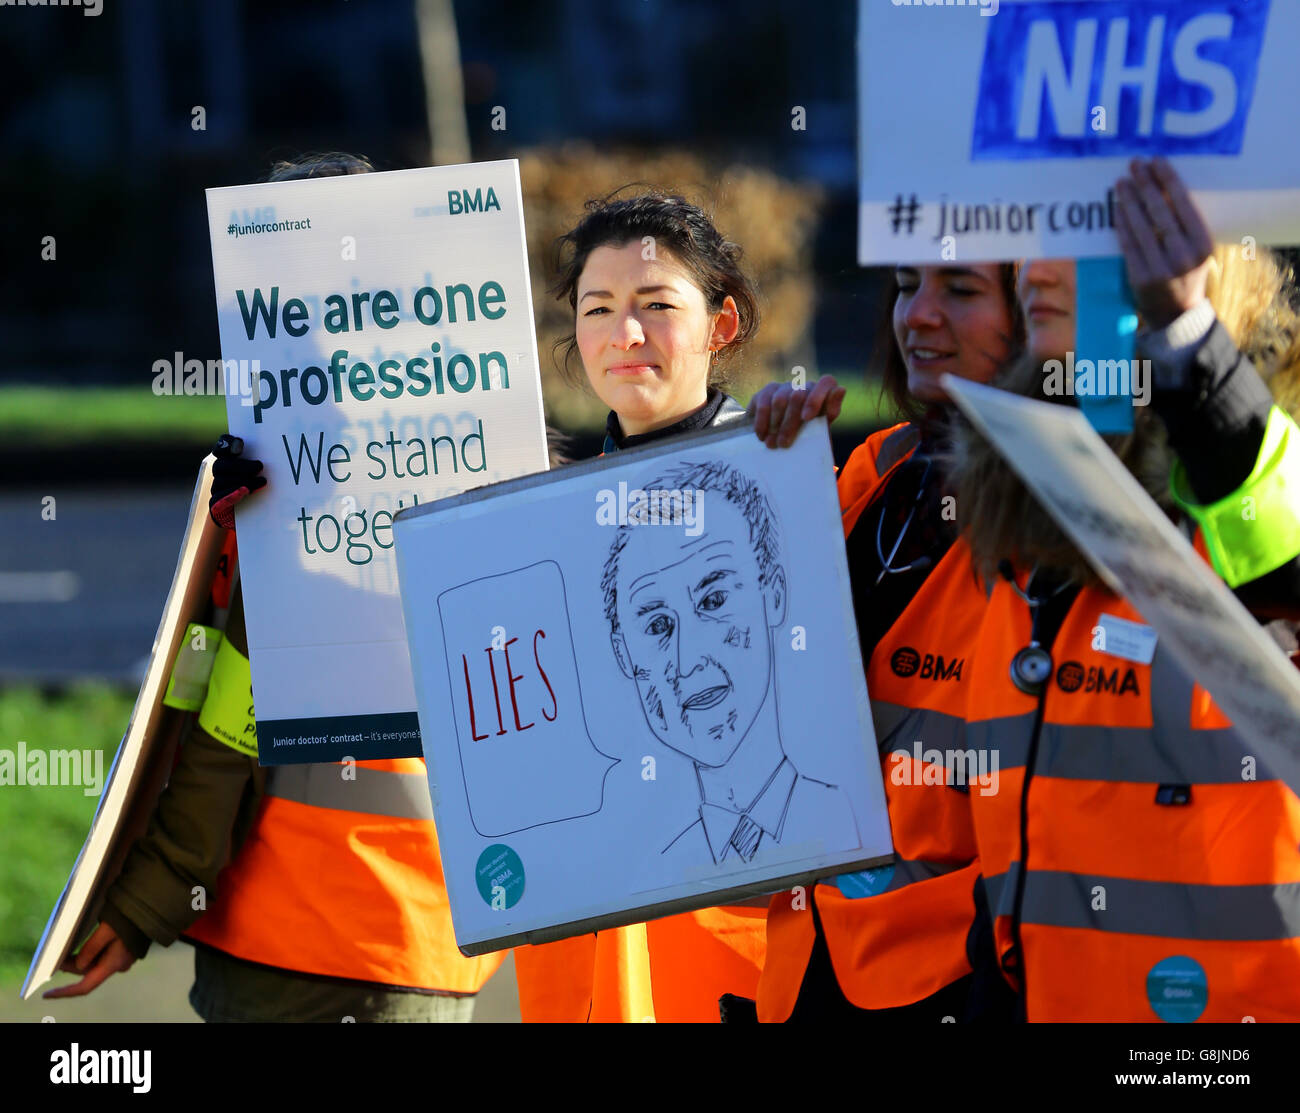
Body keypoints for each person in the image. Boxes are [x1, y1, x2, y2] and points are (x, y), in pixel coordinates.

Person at [47, 153, 506, 1022]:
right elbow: (228, 714)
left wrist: (148, 901)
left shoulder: (272, 506)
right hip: (407, 942)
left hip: (303, 948)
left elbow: (223, 726)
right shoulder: (473, 476)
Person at [953, 157, 1300, 1021]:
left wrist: (1189, 343)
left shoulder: (1262, 450)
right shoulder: (1015, 475)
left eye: (1070, 239)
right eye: (1028, 239)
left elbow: (1281, 575)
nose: (1031, 268)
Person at [512, 191, 773, 1023]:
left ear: (720, 325)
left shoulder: (793, 501)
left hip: (734, 963)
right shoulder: (534, 517)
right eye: (599, 309)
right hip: (584, 962)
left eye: (657, 305)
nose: (625, 335)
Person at [748, 261, 1025, 1021]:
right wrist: (754, 481)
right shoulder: (876, 469)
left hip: (957, 979)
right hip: (811, 967)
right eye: (907, 285)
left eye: (961, 291)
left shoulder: (1057, 522)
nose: (918, 316)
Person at [601, 458, 859, 866]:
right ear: (624, 653)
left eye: (714, 601)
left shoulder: (856, 818)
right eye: (657, 625)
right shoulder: (644, 868)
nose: (688, 661)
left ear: (774, 594)